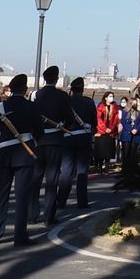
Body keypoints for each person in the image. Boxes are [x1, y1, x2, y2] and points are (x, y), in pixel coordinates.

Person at [0, 73, 43, 247]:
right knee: (22, 197)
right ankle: (20, 236)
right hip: (25, 155)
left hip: (4, 155)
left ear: (10, 89)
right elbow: (39, 133)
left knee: (0, 195)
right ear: (25, 89)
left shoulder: (1, 107)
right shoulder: (32, 107)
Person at [32, 66, 74, 227]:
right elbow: (70, 119)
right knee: (52, 179)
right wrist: (62, 126)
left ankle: (32, 213)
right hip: (55, 140)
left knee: (35, 178)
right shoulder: (62, 97)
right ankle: (48, 215)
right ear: (56, 79)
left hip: (39, 140)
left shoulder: (36, 96)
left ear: (44, 79)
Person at [57, 77, 95, 211]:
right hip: (84, 138)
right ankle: (82, 201)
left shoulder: (66, 102)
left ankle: (61, 200)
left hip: (68, 138)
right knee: (82, 172)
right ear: (82, 88)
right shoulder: (89, 102)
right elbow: (94, 123)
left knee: (66, 171)